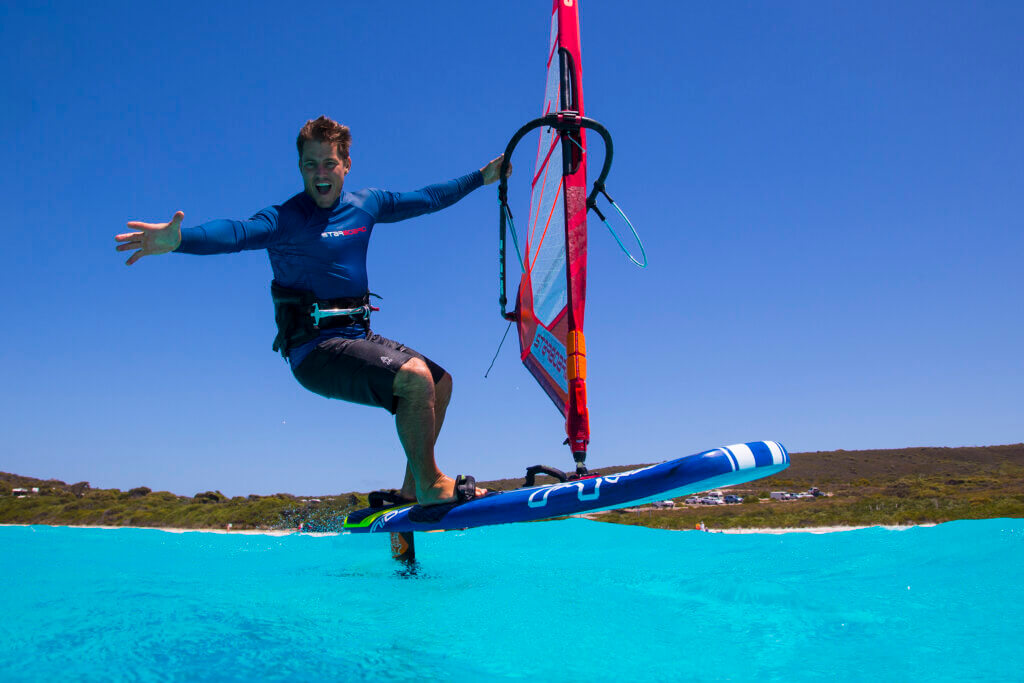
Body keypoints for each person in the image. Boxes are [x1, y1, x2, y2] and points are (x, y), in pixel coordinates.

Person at [116, 116, 508, 507]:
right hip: (314, 352)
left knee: (440, 383)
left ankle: (412, 488)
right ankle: (431, 484)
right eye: (310, 165)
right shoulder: (286, 219)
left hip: (357, 337)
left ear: (346, 165)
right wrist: (180, 239)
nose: (320, 174)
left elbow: (426, 199)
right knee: (414, 378)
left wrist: (481, 177)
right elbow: (235, 233)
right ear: (300, 167)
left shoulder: (366, 204)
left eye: (329, 164)